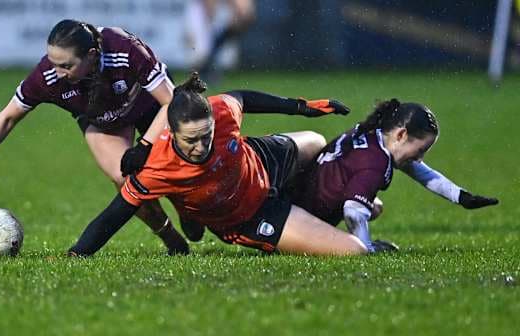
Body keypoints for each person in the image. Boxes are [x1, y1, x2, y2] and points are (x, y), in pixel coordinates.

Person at [0, 19, 190, 255]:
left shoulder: (123, 49)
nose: (57, 72)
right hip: (103, 121)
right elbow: (8, 117)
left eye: (66, 66)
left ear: (91, 56)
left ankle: (186, 208)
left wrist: (144, 146)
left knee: (172, 166)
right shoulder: (46, 77)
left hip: (150, 106)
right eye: (52, 62)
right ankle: (169, 236)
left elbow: (171, 102)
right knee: (125, 178)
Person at [68, 72, 376, 257]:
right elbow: (111, 217)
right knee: (353, 251)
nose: (201, 146)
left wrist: (301, 107)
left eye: (207, 136)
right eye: (190, 140)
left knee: (317, 141)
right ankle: (193, 213)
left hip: (259, 161)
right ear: (171, 133)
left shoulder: (220, 111)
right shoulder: (156, 168)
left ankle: (331, 202)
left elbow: (243, 97)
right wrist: (75, 255)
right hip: (248, 214)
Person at [291, 99, 499, 252]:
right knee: (361, 217)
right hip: (301, 223)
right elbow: (353, 213)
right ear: (401, 135)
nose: (420, 158)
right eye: (420, 150)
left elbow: (419, 171)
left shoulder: (374, 136)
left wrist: (460, 196)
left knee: (374, 205)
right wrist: (367, 249)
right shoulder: (376, 162)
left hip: (298, 203)